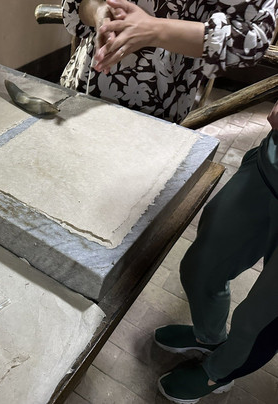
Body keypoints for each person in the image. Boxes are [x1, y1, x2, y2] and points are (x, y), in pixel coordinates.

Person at [153, 99, 278, 403]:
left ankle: (218, 373)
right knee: (202, 265)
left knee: (261, 317)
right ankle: (207, 336)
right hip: (270, 166)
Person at [61, 0, 277, 123]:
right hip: (80, 88)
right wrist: (99, 12)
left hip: (155, 112)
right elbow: (76, 4)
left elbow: (253, 37)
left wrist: (154, 30)